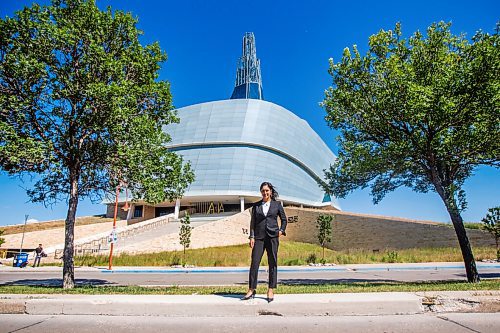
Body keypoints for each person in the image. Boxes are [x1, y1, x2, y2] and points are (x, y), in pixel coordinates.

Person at [242, 182, 287, 302]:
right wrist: (251, 237)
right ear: (261, 192)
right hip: (259, 238)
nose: (265, 193)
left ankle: (271, 289)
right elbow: (253, 223)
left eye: (267, 190)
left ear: (271, 191)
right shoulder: (256, 206)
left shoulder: (277, 205)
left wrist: (281, 230)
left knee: (272, 263)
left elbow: (284, 220)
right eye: (263, 191)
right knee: (255, 263)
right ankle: (251, 289)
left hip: (273, 237)